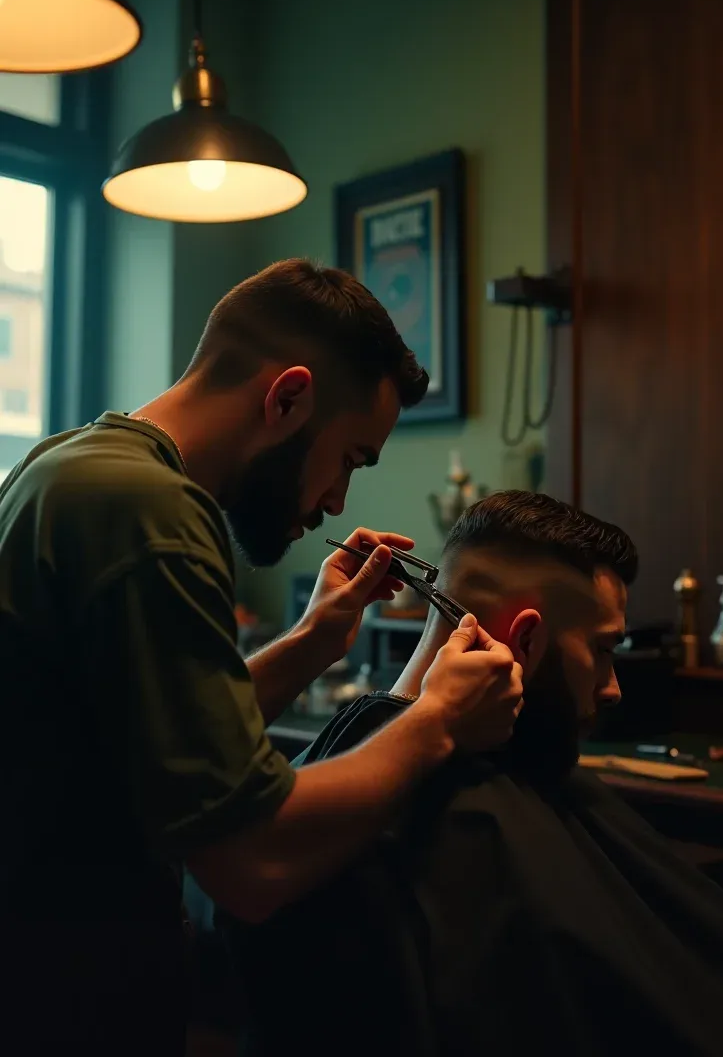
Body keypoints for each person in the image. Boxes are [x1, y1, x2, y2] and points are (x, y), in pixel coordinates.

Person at [0, 260, 523, 1056]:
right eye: (350, 457)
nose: (339, 502)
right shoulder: (154, 513)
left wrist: (316, 640)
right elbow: (253, 862)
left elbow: (165, 741)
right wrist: (439, 720)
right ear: (288, 398)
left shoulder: (72, 464)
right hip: (64, 994)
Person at [223, 491, 723, 1057]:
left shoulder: (346, 774)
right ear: (525, 640)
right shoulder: (463, 818)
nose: (613, 689)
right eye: (602, 652)